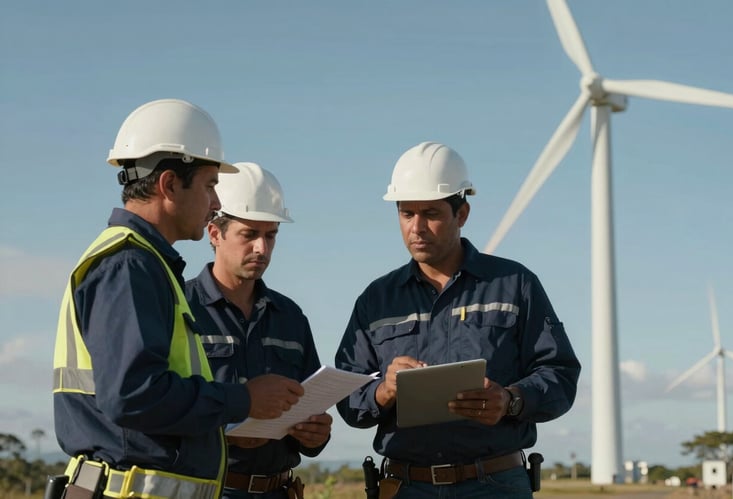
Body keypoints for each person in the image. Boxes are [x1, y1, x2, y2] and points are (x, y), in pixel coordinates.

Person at [52, 99, 304, 499]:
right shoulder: (130, 266)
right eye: (208, 186)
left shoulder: (144, 264)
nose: (216, 204)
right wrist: (244, 399)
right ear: (169, 185)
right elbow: (132, 396)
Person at [335, 141, 581, 498]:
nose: (417, 227)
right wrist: (384, 390)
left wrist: (511, 400)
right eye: (406, 214)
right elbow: (349, 401)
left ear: (462, 214)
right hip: (405, 487)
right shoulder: (376, 300)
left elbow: (560, 376)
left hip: (495, 484)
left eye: (431, 214)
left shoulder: (515, 285)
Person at [185, 162, 332, 499]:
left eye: (271, 235)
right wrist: (225, 431)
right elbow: (161, 406)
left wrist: (316, 434)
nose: (262, 249)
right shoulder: (180, 308)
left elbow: (310, 403)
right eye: (249, 234)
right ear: (215, 233)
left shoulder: (291, 317)